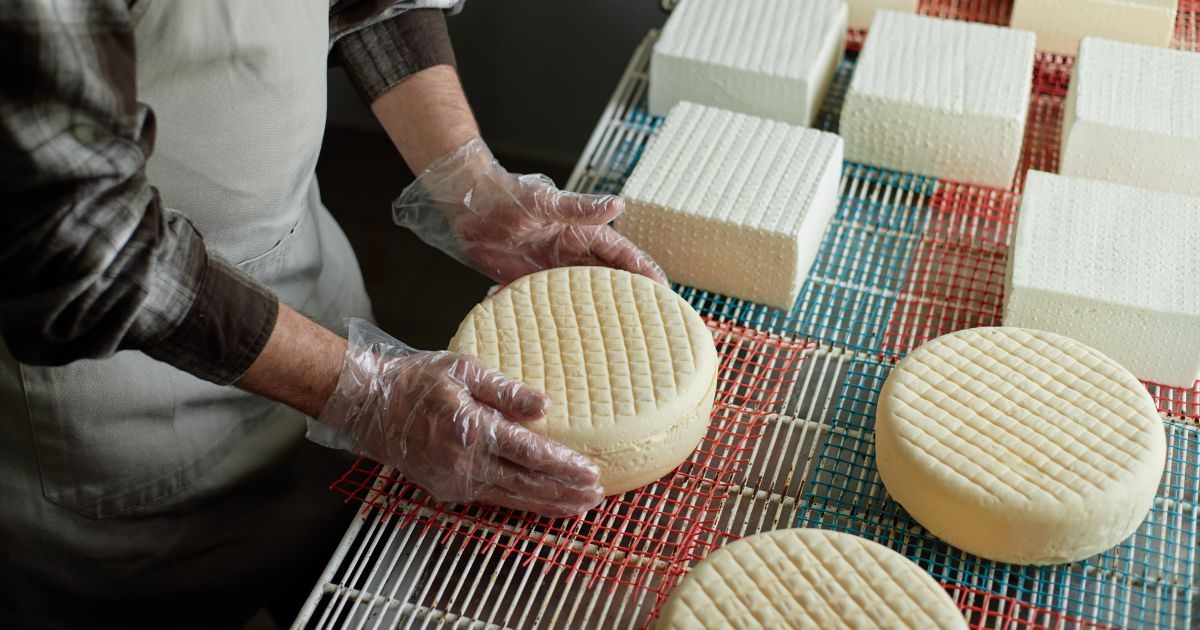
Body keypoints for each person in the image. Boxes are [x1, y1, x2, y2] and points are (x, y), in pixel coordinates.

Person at [0, 1, 666, 627]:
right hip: (124, 403)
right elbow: (77, 241)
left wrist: (471, 185)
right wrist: (363, 395)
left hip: (315, 309)